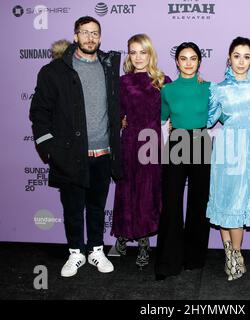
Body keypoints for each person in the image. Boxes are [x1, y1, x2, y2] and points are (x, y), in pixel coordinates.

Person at [29, 16, 122, 277]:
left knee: (96, 207)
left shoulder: (108, 67)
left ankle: (95, 250)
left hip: (103, 154)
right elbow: (39, 112)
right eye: (85, 33)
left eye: (95, 33)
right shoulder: (54, 71)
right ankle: (75, 253)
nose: (90, 38)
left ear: (100, 37)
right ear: (75, 36)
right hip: (70, 155)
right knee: (72, 209)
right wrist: (49, 150)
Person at [206, 37, 250, 281]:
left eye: (246, 56)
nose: (241, 61)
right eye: (236, 56)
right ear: (228, 58)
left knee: (241, 200)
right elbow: (210, 120)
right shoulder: (218, 88)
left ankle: (236, 254)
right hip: (227, 147)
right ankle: (231, 256)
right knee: (226, 199)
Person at [111, 34, 171, 269]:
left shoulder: (162, 80)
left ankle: (144, 244)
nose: (137, 57)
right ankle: (123, 237)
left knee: (147, 193)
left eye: (142, 52)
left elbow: (175, 107)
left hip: (152, 144)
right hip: (129, 143)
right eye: (133, 52)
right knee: (127, 190)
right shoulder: (123, 82)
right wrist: (119, 120)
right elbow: (114, 111)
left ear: (150, 54)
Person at [155, 42, 212, 280]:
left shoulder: (210, 88)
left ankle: (194, 258)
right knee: (172, 203)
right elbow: (160, 119)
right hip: (177, 141)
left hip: (200, 140)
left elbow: (225, 112)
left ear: (199, 61)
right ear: (177, 62)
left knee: (199, 202)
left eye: (193, 58)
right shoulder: (167, 90)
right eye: (183, 58)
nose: (188, 62)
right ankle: (170, 260)